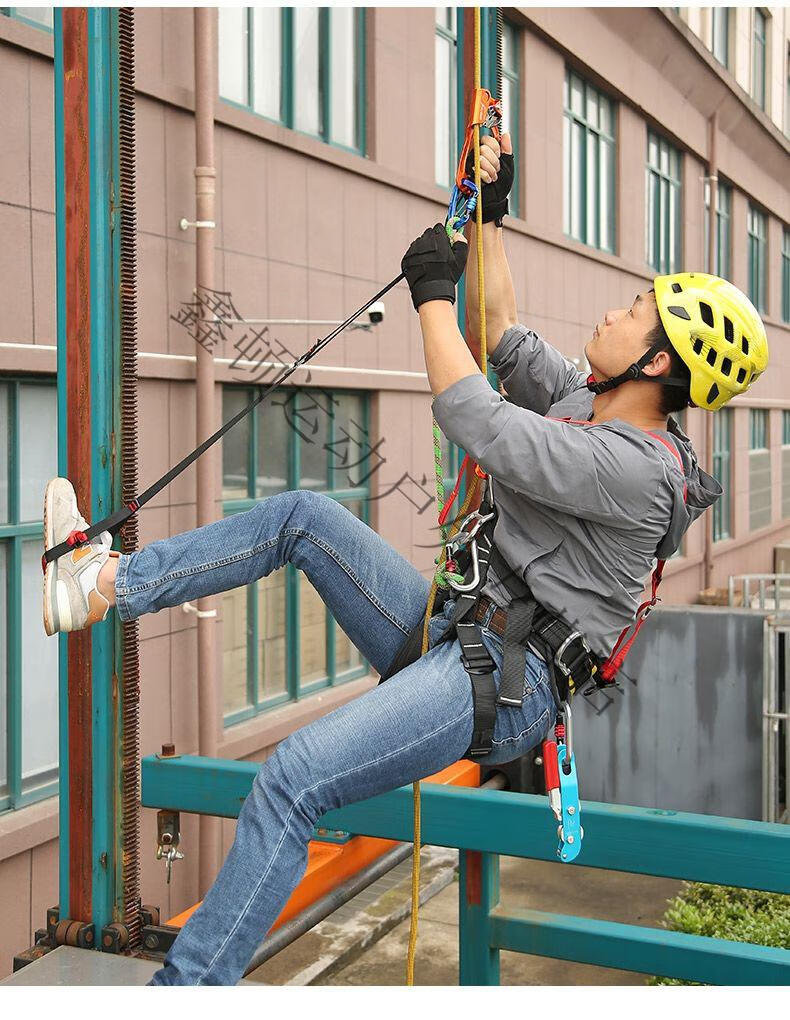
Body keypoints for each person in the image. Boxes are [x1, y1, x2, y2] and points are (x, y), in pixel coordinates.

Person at [41, 133, 767, 985]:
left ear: (659, 363)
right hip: (458, 627)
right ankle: (100, 585)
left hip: (507, 676)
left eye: (634, 313)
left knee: (293, 778)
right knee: (304, 518)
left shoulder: (639, 471)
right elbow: (502, 336)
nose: (613, 313)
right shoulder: (595, 401)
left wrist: (429, 296)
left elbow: (480, 421)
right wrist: (491, 214)